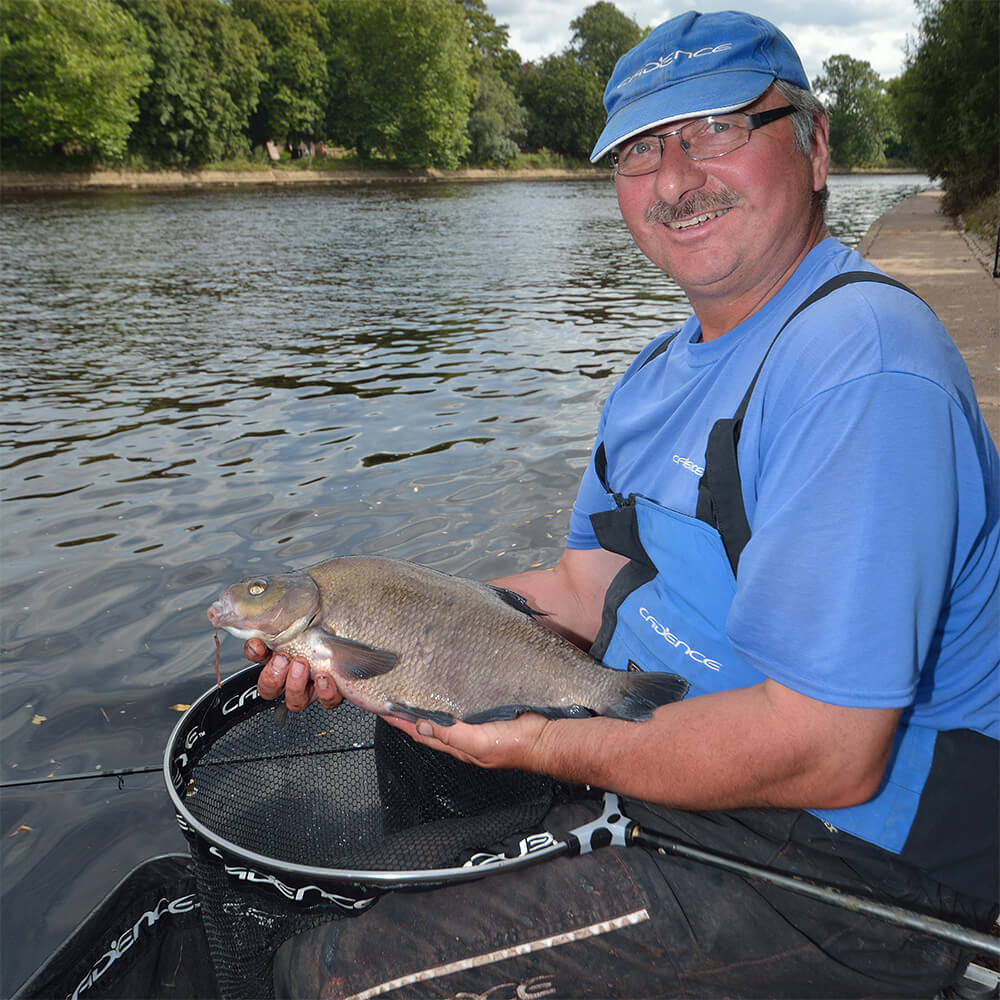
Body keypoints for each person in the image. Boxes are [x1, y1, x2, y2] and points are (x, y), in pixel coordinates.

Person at [251, 10, 999, 998]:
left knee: (330, 974)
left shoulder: (857, 361)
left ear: (815, 146)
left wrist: (549, 743)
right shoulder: (657, 374)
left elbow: (828, 755)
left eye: (717, 129)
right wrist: (371, 624)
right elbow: (580, 583)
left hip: (852, 866)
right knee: (418, 735)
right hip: (687, 768)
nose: (678, 176)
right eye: (643, 149)